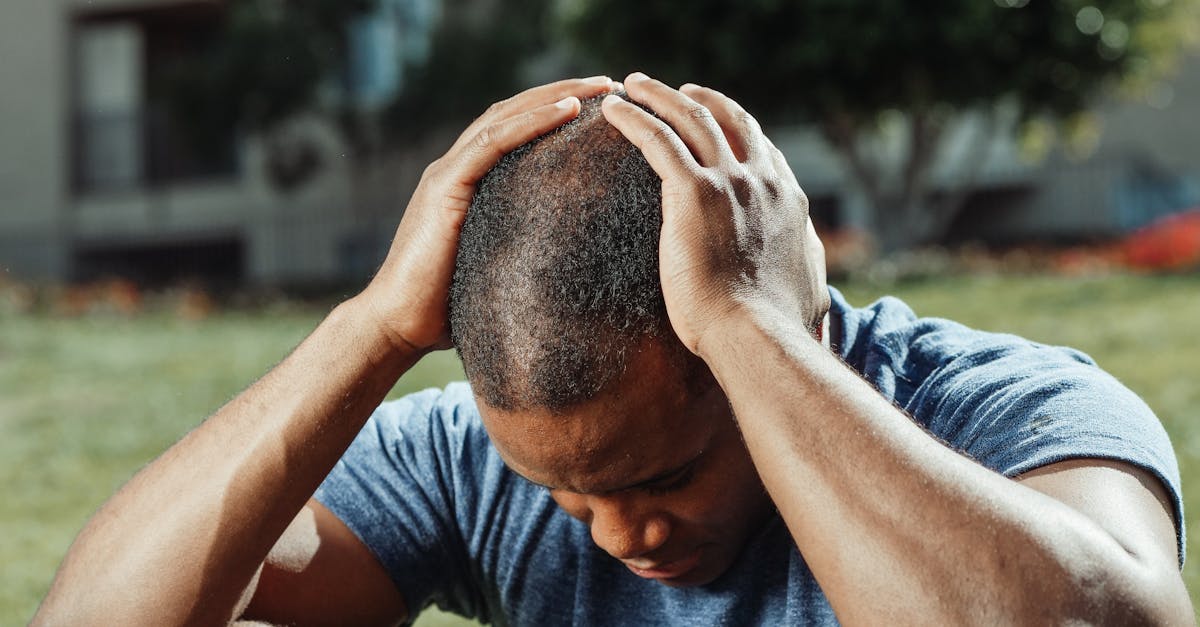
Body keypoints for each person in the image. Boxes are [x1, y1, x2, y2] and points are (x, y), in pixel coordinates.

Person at [34, 73, 1190, 625]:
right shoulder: (474, 463)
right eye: (569, 496)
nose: (622, 533)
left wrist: (744, 323)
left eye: (666, 475)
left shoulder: (1010, 413)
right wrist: (375, 326)